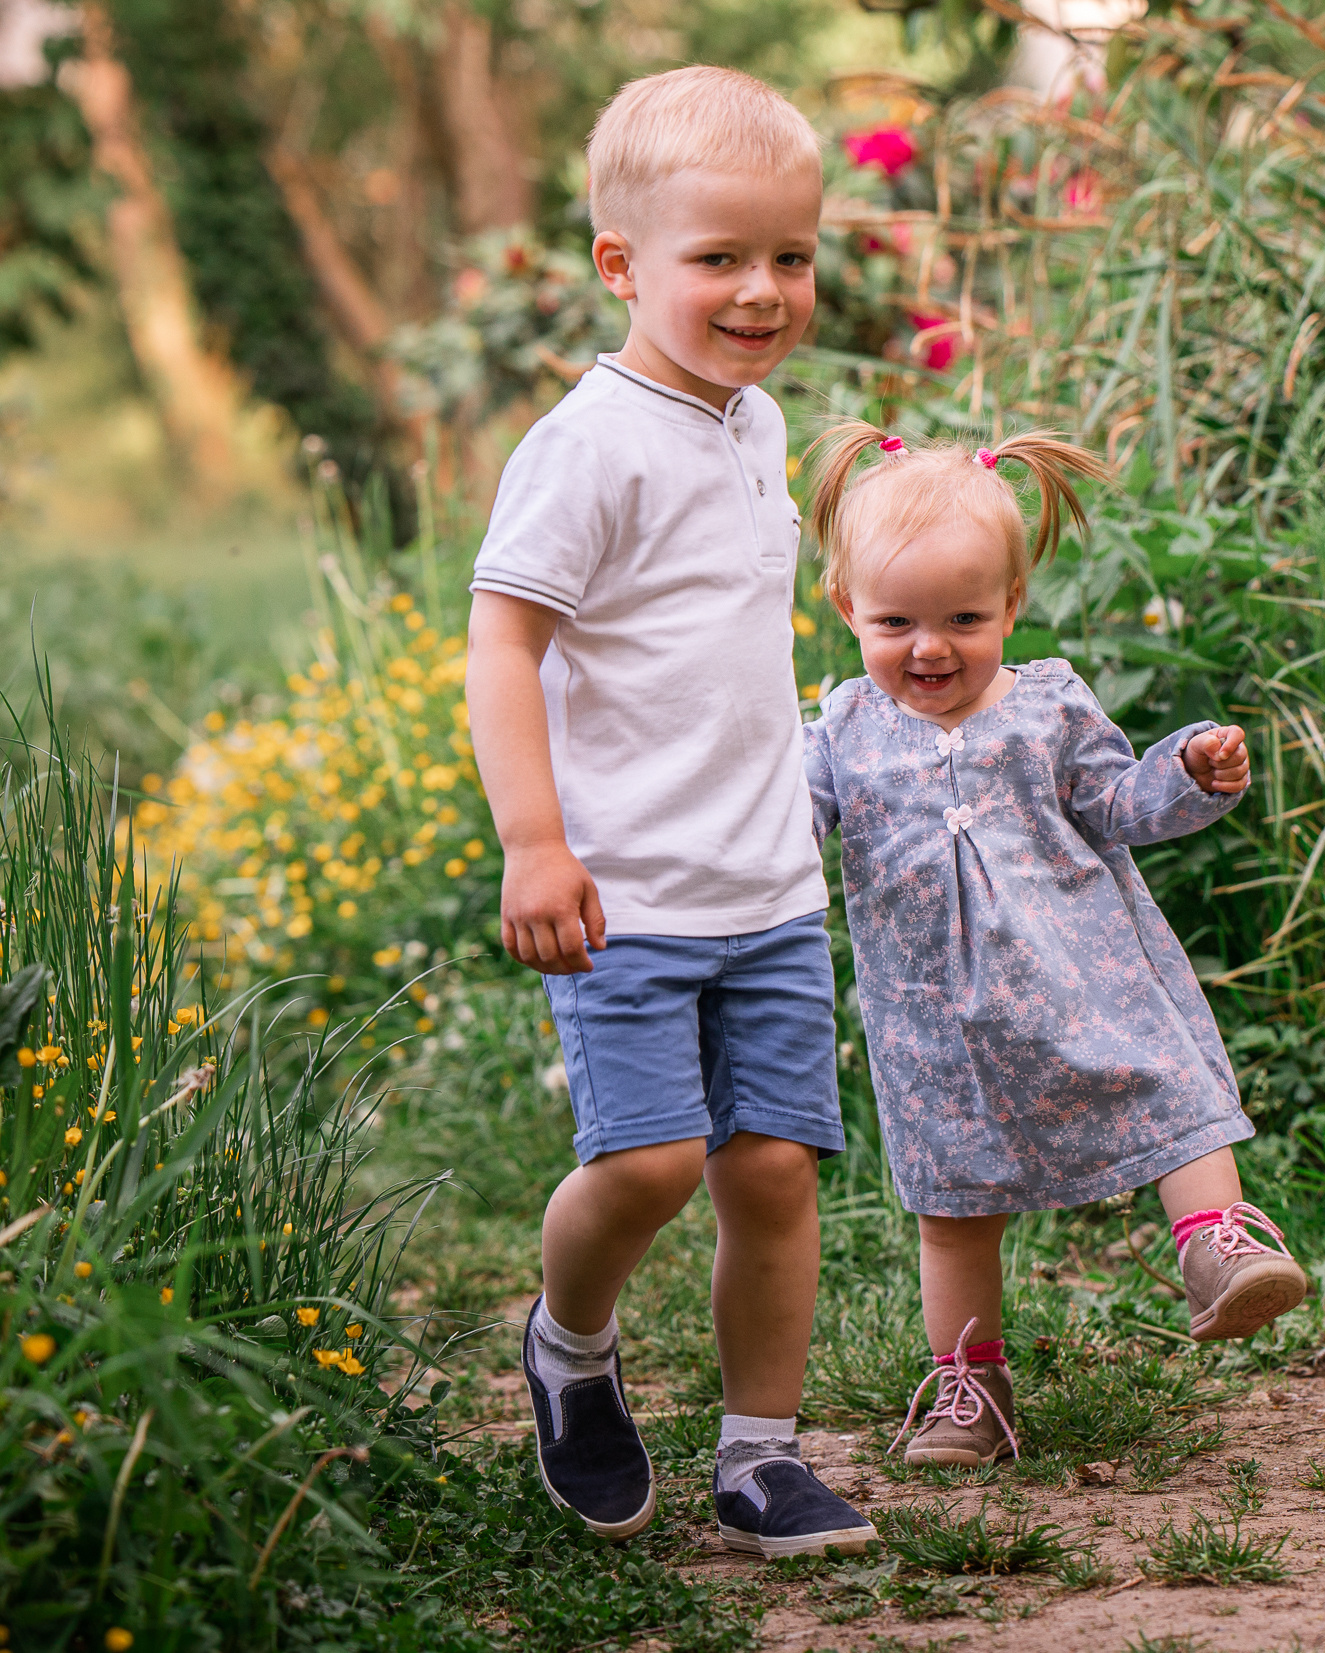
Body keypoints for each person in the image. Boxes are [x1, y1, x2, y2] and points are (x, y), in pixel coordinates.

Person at [462, 66, 876, 1558]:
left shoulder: (754, 425)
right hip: (625, 890)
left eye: (791, 256)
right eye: (720, 258)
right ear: (620, 266)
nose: (763, 290)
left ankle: (761, 1457)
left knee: (769, 1170)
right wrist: (533, 841)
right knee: (643, 1164)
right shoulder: (588, 445)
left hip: (766, 886)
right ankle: (568, 1346)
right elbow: (502, 641)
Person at [799, 422, 1310, 1470]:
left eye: (963, 618)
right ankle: (968, 1385)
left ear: (1011, 604)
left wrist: (1186, 772)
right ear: (845, 605)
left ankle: (1217, 1246)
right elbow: (784, 828)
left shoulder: (1048, 704)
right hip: (937, 1027)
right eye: (895, 621)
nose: (929, 648)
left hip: (1085, 979)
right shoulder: (840, 731)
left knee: (1166, 1094)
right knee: (953, 1208)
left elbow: (1118, 803)